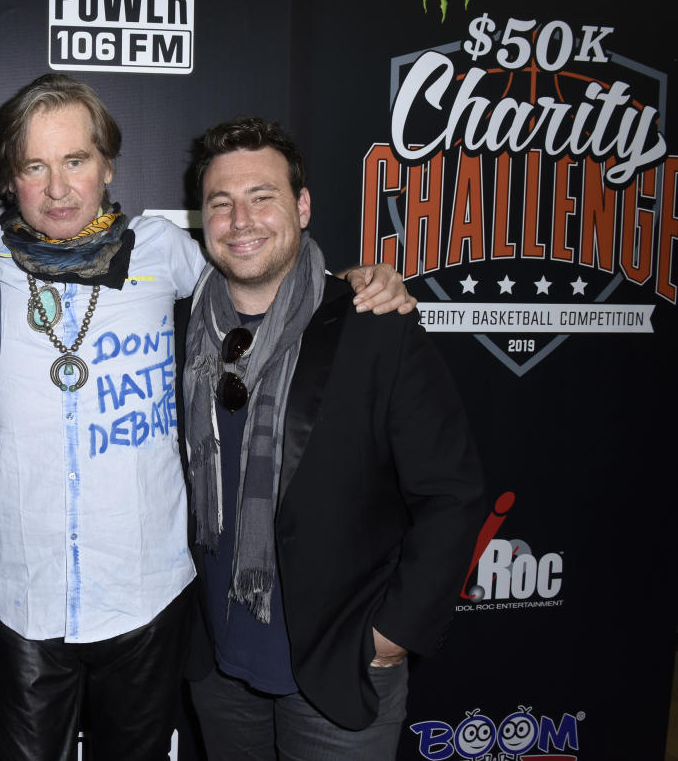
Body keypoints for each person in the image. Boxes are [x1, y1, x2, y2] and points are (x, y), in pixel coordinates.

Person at [0, 75, 415, 761]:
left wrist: (357, 280)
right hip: (23, 597)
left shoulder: (163, 250)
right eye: (35, 166)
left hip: (149, 592)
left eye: (76, 161)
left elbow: (262, 278)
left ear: (107, 167)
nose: (58, 188)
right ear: (11, 178)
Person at [180, 117, 484, 760]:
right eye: (221, 203)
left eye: (262, 196)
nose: (242, 220)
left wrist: (393, 633)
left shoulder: (374, 324)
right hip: (217, 667)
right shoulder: (180, 328)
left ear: (303, 205)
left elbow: (451, 491)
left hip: (338, 667)